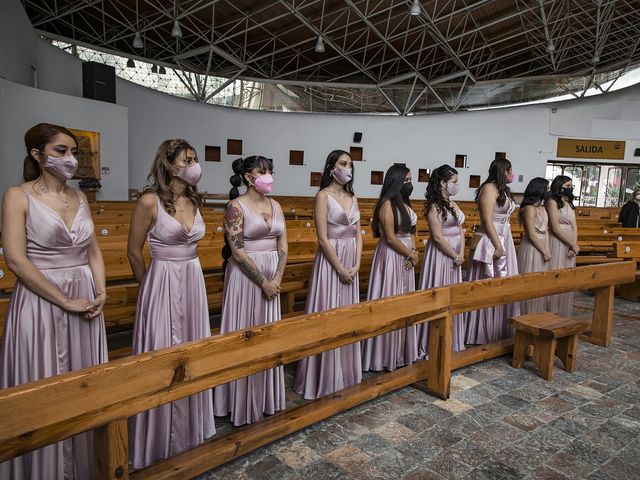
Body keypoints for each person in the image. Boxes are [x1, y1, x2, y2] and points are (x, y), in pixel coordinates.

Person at [0, 123, 107, 479]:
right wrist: (65, 300)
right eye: (61, 151)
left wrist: (101, 290)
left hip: (85, 294)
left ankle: (83, 465)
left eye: (74, 151)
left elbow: (93, 251)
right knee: (46, 382)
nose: (70, 159)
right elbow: (15, 260)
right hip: (42, 298)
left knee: (84, 384)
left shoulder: (79, 198)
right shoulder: (18, 195)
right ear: (37, 154)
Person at [127, 139, 215, 468]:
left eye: (194, 159)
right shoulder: (150, 201)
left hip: (192, 281)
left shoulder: (194, 199)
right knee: (161, 357)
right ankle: (156, 436)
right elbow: (134, 251)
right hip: (161, 280)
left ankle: (190, 430)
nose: (194, 164)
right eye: (187, 159)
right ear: (169, 164)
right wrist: (149, 288)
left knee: (192, 354)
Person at [215, 156, 287, 426]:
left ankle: (266, 397)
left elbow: (283, 245)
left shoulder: (276, 205)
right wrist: (263, 282)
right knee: (245, 335)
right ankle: (238, 400)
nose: (268, 176)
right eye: (262, 172)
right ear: (248, 176)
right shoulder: (236, 206)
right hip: (247, 277)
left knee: (268, 337)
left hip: (273, 277)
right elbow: (237, 250)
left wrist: (276, 278)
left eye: (270, 171)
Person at [294, 150, 363, 399]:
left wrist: (355, 264)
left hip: (350, 259)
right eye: (343, 164)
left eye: (351, 165)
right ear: (331, 167)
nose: (348, 168)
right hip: (331, 261)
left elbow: (358, 234)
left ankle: (345, 374)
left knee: (348, 317)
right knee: (327, 314)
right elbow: (322, 238)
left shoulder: (352, 197)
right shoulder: (322, 196)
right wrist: (340, 268)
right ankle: (322, 377)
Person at [362, 164, 418, 372]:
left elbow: (412, 231)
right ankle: (383, 355)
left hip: (406, 258)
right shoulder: (386, 205)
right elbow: (391, 238)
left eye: (411, 180)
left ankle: (401, 352)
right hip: (392, 257)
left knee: (405, 304)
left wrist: (416, 252)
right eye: (406, 181)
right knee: (390, 300)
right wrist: (410, 253)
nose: (410, 184)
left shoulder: (405, 203)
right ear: (395, 182)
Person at [465, 158, 520, 345]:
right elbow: (487, 220)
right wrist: (498, 245)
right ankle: (481, 330)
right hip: (492, 238)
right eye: (510, 170)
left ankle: (500, 328)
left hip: (505, 235)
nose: (512, 174)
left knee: (505, 281)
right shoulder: (489, 188)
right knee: (488, 280)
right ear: (503, 171)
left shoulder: (504, 190)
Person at [417, 164, 466, 355]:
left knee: (453, 297)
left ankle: (451, 340)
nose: (456, 185)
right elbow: (437, 237)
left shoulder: (454, 205)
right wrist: (454, 255)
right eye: (454, 182)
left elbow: (461, 230)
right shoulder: (434, 207)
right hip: (440, 256)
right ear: (443, 183)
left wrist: (461, 253)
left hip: (456, 256)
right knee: (438, 296)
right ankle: (433, 342)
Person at [546, 175, 579, 317]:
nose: (570, 189)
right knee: (556, 274)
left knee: (567, 276)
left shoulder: (569, 203)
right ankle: (551, 309)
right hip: (558, 241)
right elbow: (554, 227)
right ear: (559, 187)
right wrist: (571, 243)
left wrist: (574, 245)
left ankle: (562, 310)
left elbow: (575, 226)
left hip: (570, 243)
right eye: (568, 186)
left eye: (571, 186)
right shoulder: (552, 202)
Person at [517, 177, 551, 314]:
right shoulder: (529, 209)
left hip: (543, 246)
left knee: (541, 282)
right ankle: (527, 312)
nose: (548, 191)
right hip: (532, 247)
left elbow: (546, 230)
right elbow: (531, 234)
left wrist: (548, 248)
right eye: (546, 188)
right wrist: (543, 250)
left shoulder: (543, 208)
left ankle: (538, 312)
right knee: (530, 280)